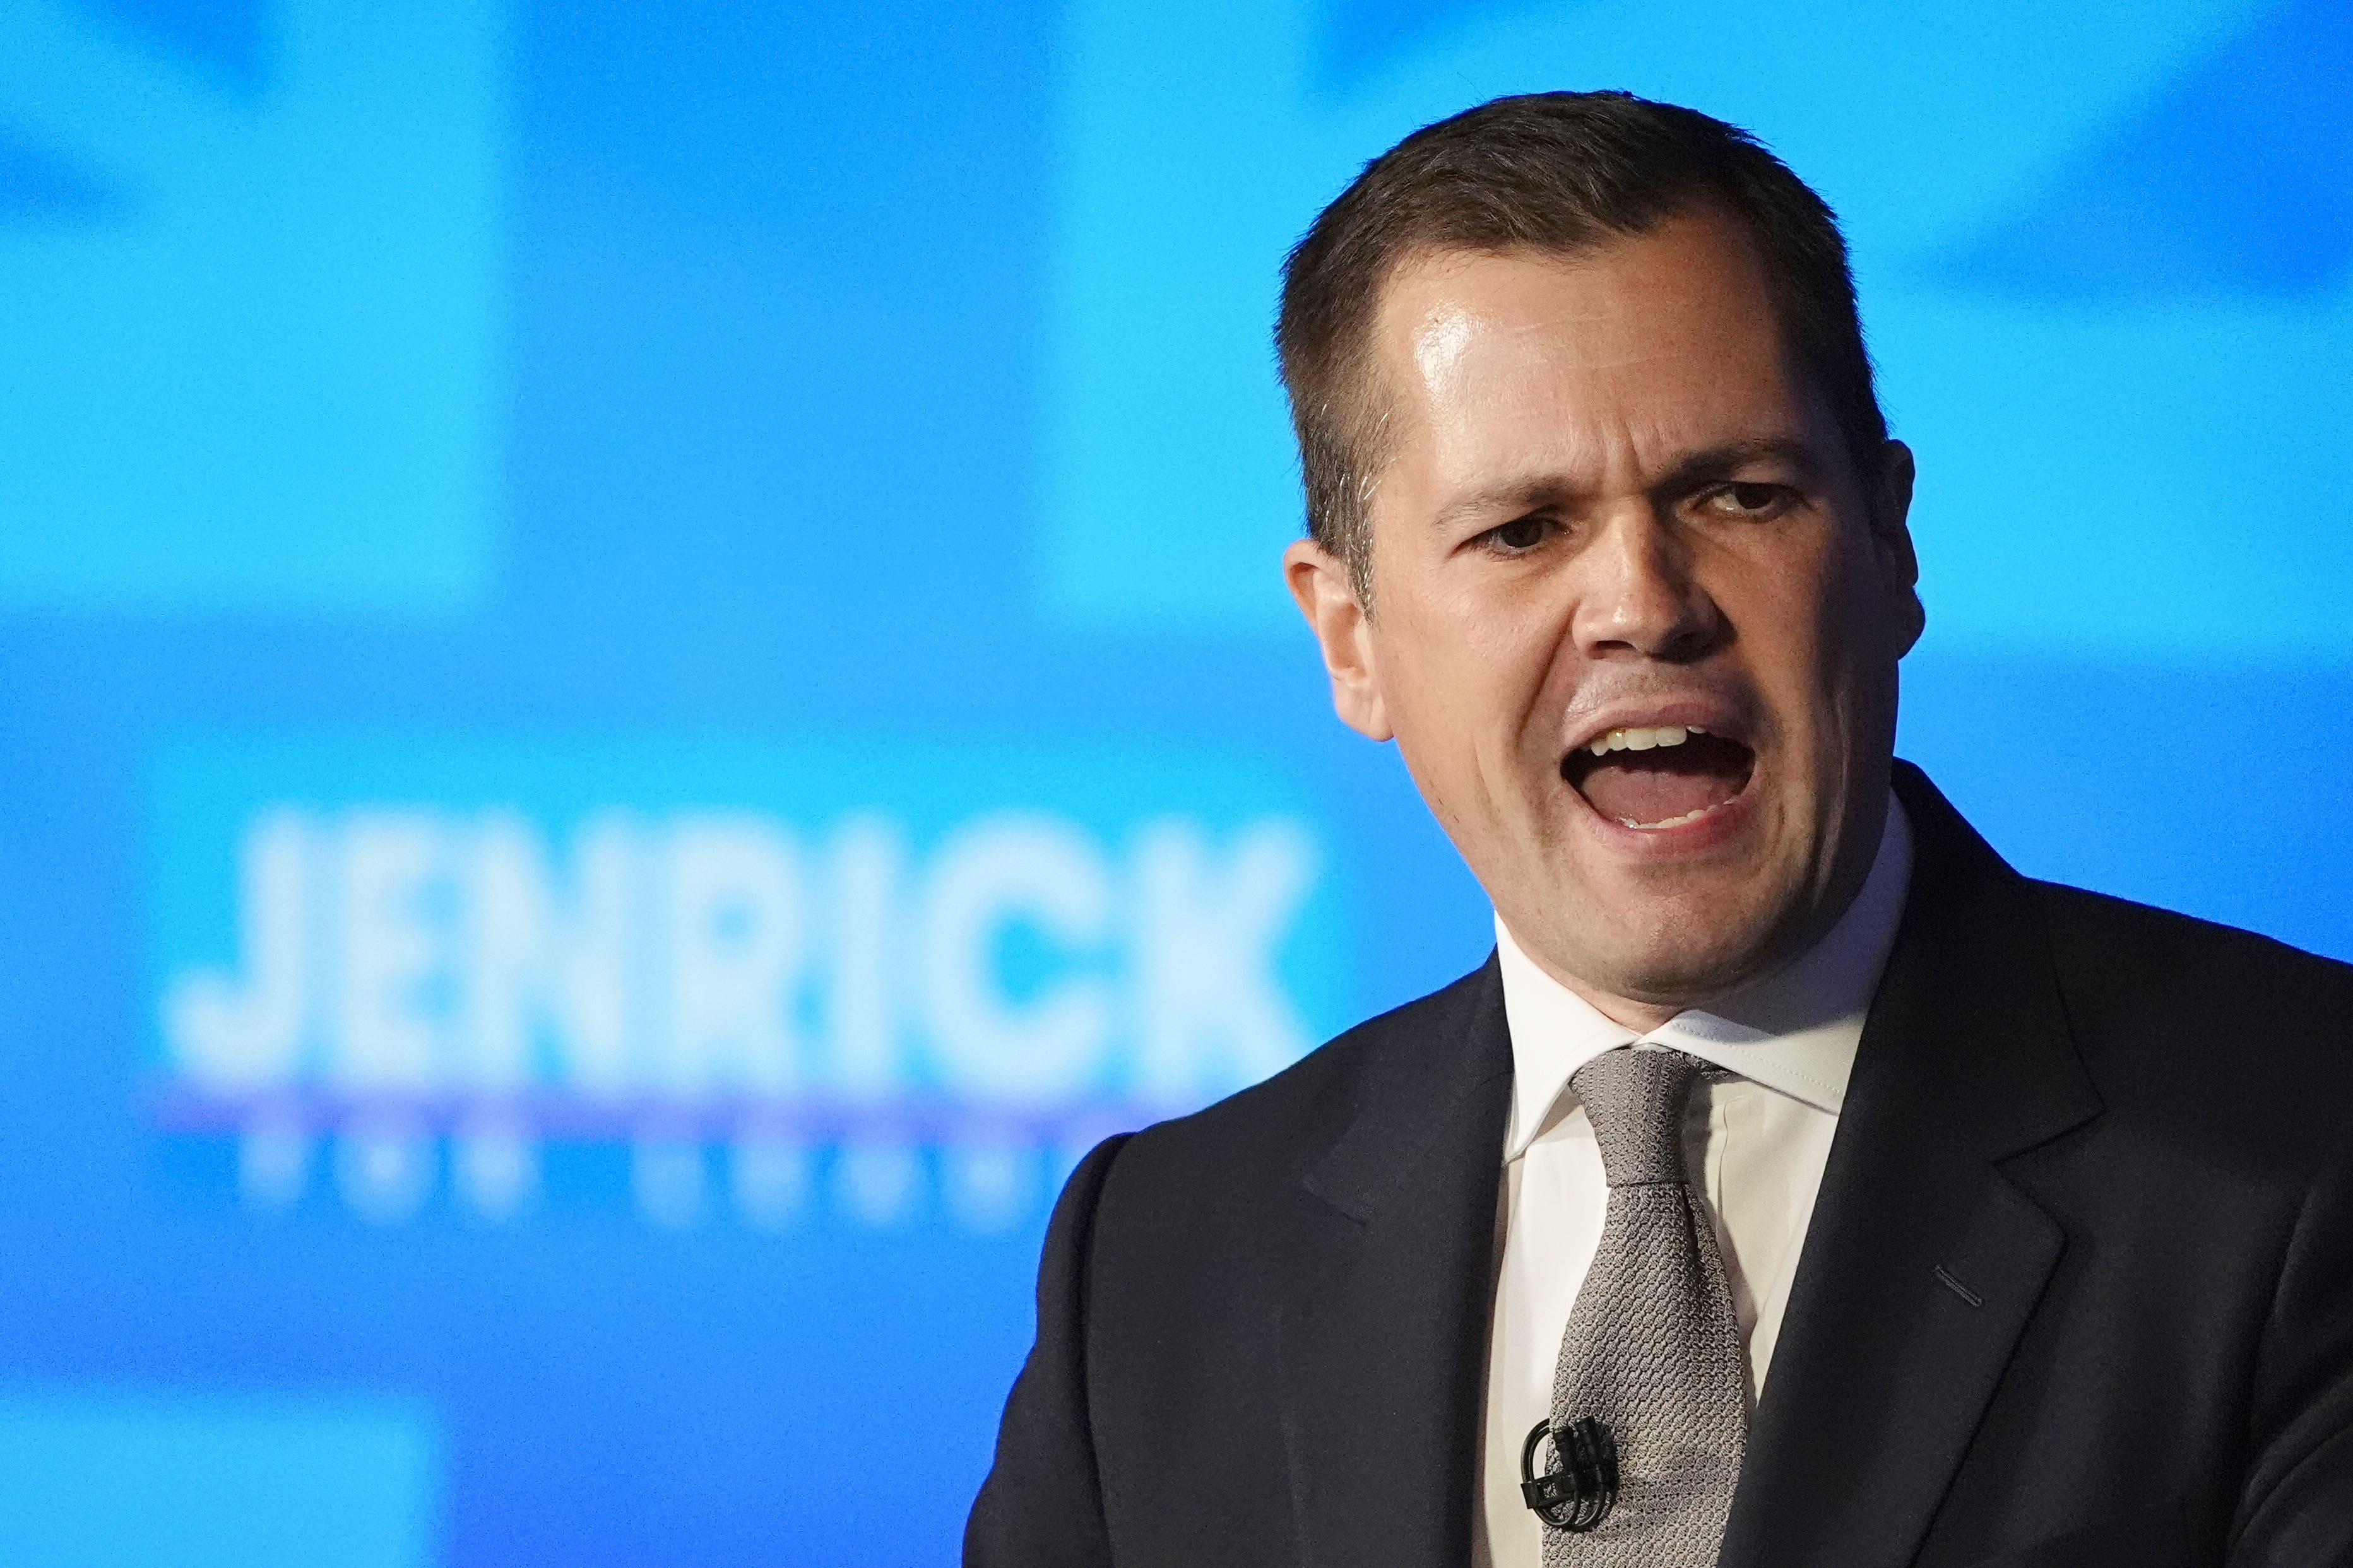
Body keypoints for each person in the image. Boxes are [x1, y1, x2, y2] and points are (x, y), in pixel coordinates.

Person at [964, 91, 2353, 1568]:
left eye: (1740, 494)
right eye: (1522, 529)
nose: (1642, 602)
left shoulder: (2301, 1146)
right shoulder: (1161, 1261)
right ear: (1351, 635)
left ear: (1888, 542)